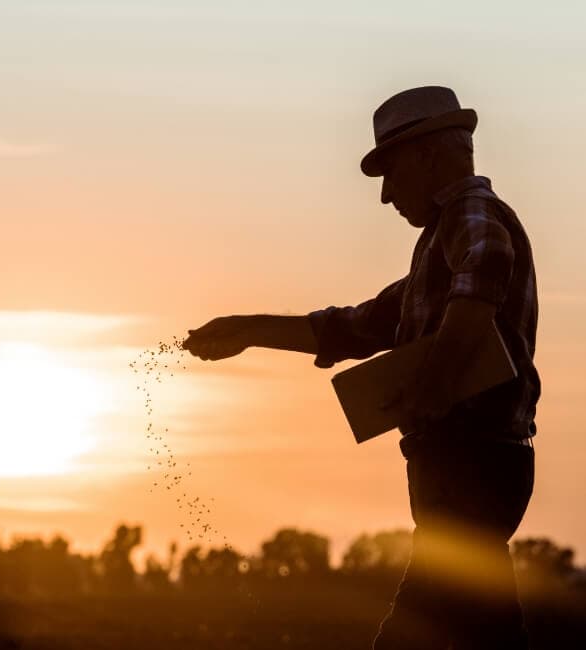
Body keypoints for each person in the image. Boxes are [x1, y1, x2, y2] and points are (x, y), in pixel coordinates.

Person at [183, 85, 539, 649]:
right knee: (486, 627)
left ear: (428, 155)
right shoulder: (433, 256)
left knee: (415, 628)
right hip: (461, 467)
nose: (385, 196)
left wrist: (435, 384)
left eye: (390, 173)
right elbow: (355, 327)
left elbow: (486, 266)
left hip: (472, 464)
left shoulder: (470, 214)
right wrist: (249, 330)